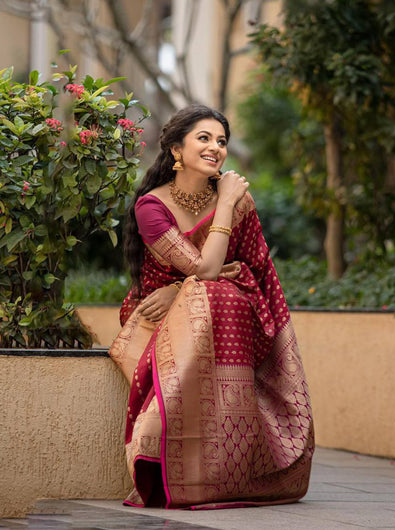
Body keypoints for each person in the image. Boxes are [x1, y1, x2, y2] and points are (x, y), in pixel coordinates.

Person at [109, 104, 314, 510]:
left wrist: (190, 284)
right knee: (212, 292)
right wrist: (188, 284)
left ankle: (231, 469)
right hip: (159, 316)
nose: (215, 148)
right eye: (203, 138)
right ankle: (177, 467)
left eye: (221, 141)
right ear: (175, 151)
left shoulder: (238, 200)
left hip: (230, 317)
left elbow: (253, 271)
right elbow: (205, 268)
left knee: (217, 296)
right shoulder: (153, 206)